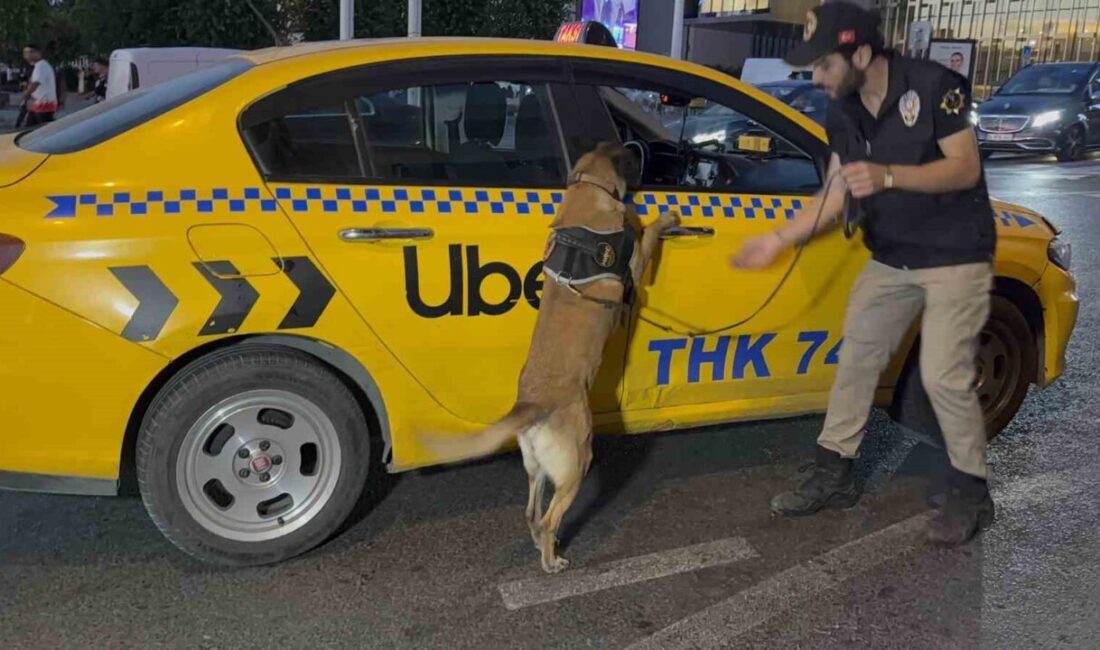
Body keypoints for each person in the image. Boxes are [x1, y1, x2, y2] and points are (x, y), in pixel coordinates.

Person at [732, 2, 996, 547]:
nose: (817, 77)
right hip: (891, 256)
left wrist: (890, 175)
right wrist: (777, 240)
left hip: (954, 257)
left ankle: (972, 492)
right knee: (855, 359)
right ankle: (834, 472)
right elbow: (835, 191)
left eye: (824, 65)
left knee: (944, 375)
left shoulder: (934, 85)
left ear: (861, 52)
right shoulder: (842, 111)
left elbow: (965, 166)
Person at [18, 45, 58, 126]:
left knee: (43, 129)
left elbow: (35, 84)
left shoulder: (41, 66)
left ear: (38, 53)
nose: (27, 55)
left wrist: (24, 96)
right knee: (30, 127)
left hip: (45, 104)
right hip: (38, 104)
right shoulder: (38, 66)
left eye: (30, 52)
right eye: (25, 53)